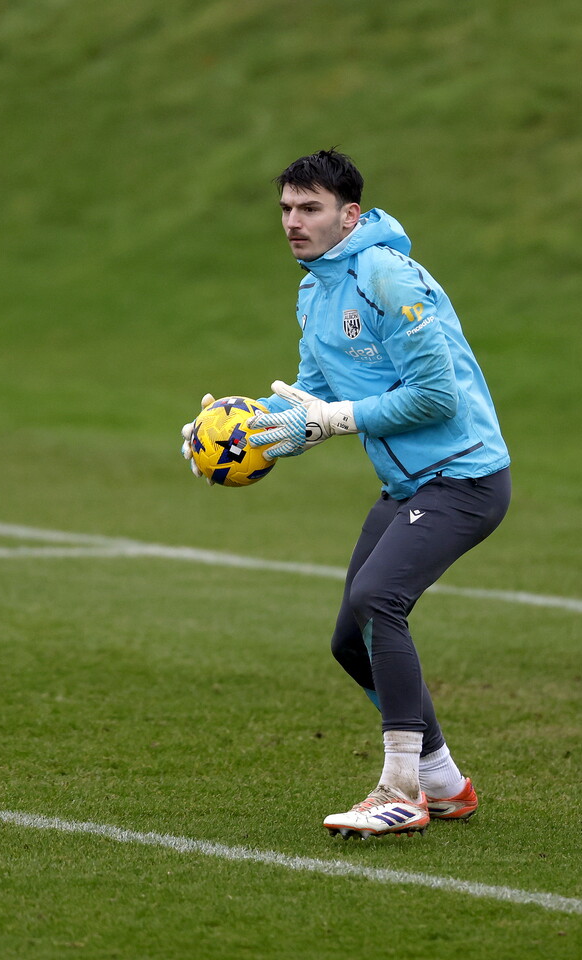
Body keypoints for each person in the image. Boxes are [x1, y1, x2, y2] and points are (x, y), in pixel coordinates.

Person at [181, 149, 511, 838]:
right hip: (407, 485)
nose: (293, 223)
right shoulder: (315, 288)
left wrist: (334, 420)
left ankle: (401, 790)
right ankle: (446, 784)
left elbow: (435, 396)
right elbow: (315, 398)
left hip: (465, 478)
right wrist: (235, 433)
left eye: (310, 209)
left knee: (377, 602)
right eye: (286, 209)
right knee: (349, 639)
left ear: (349, 215)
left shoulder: (385, 276)